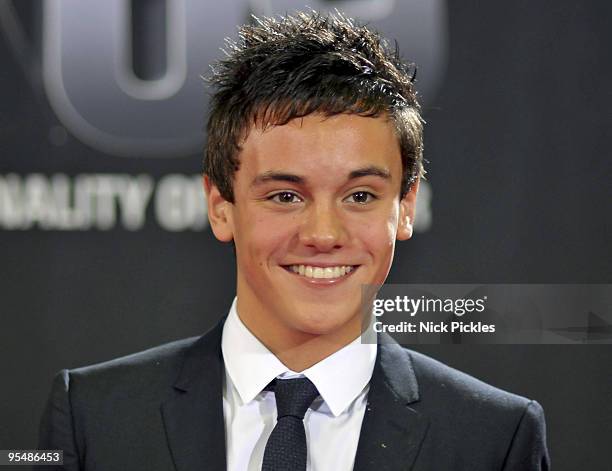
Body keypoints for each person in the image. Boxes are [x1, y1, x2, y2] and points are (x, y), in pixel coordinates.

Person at [37, 11, 550, 471]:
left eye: (361, 196)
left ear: (406, 206)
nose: (323, 235)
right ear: (220, 206)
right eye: (285, 196)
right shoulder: (93, 418)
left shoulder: (493, 437)